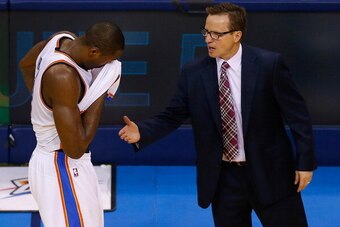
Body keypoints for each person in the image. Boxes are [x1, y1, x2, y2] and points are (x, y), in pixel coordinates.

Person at [119, 2, 317, 227]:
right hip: (224, 180)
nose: (207, 39)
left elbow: (298, 116)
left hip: (271, 173)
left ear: (236, 35)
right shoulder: (193, 72)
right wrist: (142, 132)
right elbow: (173, 115)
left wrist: (305, 162)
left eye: (216, 34)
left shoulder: (268, 65)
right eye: (206, 31)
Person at [19, 22, 124, 227]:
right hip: (62, 164)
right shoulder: (63, 76)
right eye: (107, 61)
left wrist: (46, 105)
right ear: (94, 51)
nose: (107, 66)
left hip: (58, 164)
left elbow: (26, 64)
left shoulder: (61, 38)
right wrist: (100, 91)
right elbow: (75, 149)